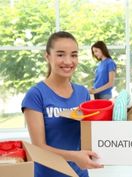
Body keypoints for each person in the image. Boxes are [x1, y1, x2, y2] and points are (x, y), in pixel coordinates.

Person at [21, 31, 103, 177]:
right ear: (47, 56)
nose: (68, 61)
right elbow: (38, 147)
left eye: (73, 55)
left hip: (79, 173)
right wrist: (75, 156)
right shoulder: (36, 95)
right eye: (60, 54)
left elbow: (89, 135)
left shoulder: (82, 93)